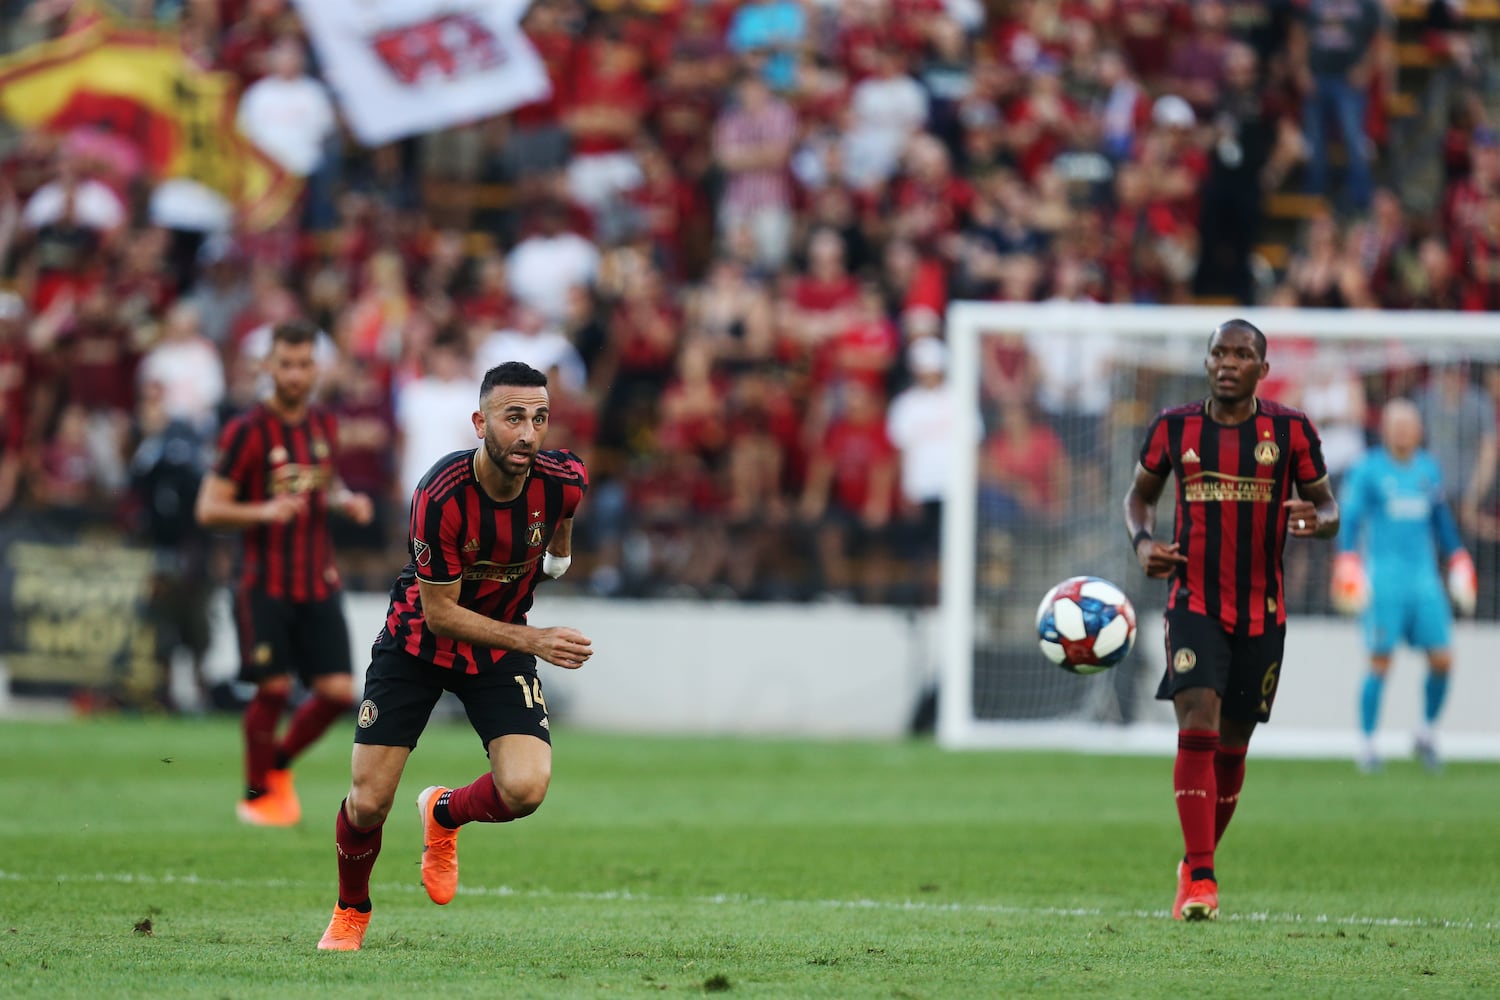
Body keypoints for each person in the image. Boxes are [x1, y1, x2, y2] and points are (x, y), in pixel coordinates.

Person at [317, 361, 593, 952]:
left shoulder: (563, 479)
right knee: (367, 803)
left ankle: (445, 812)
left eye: (539, 418)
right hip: (419, 643)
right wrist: (535, 639)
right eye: (513, 417)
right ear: (480, 421)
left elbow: (567, 509)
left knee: (525, 790)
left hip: (496, 648)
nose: (527, 432)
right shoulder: (439, 496)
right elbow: (441, 615)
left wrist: (559, 554)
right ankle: (351, 909)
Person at [1123, 319, 1340, 922]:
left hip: (1262, 610)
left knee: (1235, 744)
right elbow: (1139, 496)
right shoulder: (1174, 427)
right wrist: (1143, 544)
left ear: (1261, 370)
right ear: (1207, 360)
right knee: (1198, 721)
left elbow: (1329, 508)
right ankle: (1204, 881)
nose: (1227, 362)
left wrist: (1315, 519)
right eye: (1219, 351)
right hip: (1192, 601)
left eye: (1242, 354)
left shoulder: (1291, 430)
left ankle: (1192, 864)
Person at [195, 319, 375, 826]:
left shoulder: (324, 425)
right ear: (268, 367)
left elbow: (327, 483)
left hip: (318, 580)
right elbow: (208, 508)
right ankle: (256, 797)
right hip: (264, 581)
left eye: (303, 364)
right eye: (286, 364)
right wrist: (262, 512)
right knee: (272, 690)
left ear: (316, 368)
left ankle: (273, 766)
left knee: (338, 693)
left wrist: (346, 501)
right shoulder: (246, 432)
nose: (295, 375)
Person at [1331, 400, 1475, 774]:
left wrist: (1458, 556)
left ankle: (1425, 732)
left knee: (1443, 659)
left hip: (1424, 580)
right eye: (1396, 424)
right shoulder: (1368, 470)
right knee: (1380, 661)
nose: (1403, 431)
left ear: (1418, 430)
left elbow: (1441, 520)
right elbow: (1351, 519)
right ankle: (1366, 743)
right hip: (1385, 581)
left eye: (1409, 425)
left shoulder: (1428, 469)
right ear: (1385, 429)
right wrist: (1348, 560)